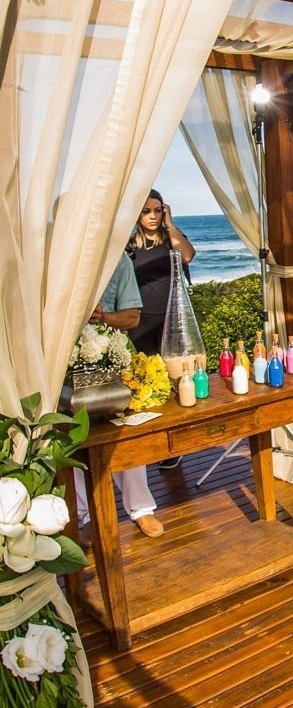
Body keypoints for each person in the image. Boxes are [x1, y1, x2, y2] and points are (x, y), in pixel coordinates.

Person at [75, 253, 164, 540]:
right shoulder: (57, 256)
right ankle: (87, 515)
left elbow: (133, 317)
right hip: (64, 365)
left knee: (124, 433)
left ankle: (141, 509)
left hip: (112, 363)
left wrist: (104, 318)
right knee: (71, 436)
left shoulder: (119, 261)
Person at [127, 190, 195, 469]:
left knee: (176, 380)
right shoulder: (130, 245)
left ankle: (173, 446)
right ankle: (151, 443)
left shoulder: (172, 239)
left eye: (157, 210)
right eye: (146, 211)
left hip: (173, 318)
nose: (152, 216)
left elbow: (188, 256)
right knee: (145, 382)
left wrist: (170, 223)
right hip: (141, 320)